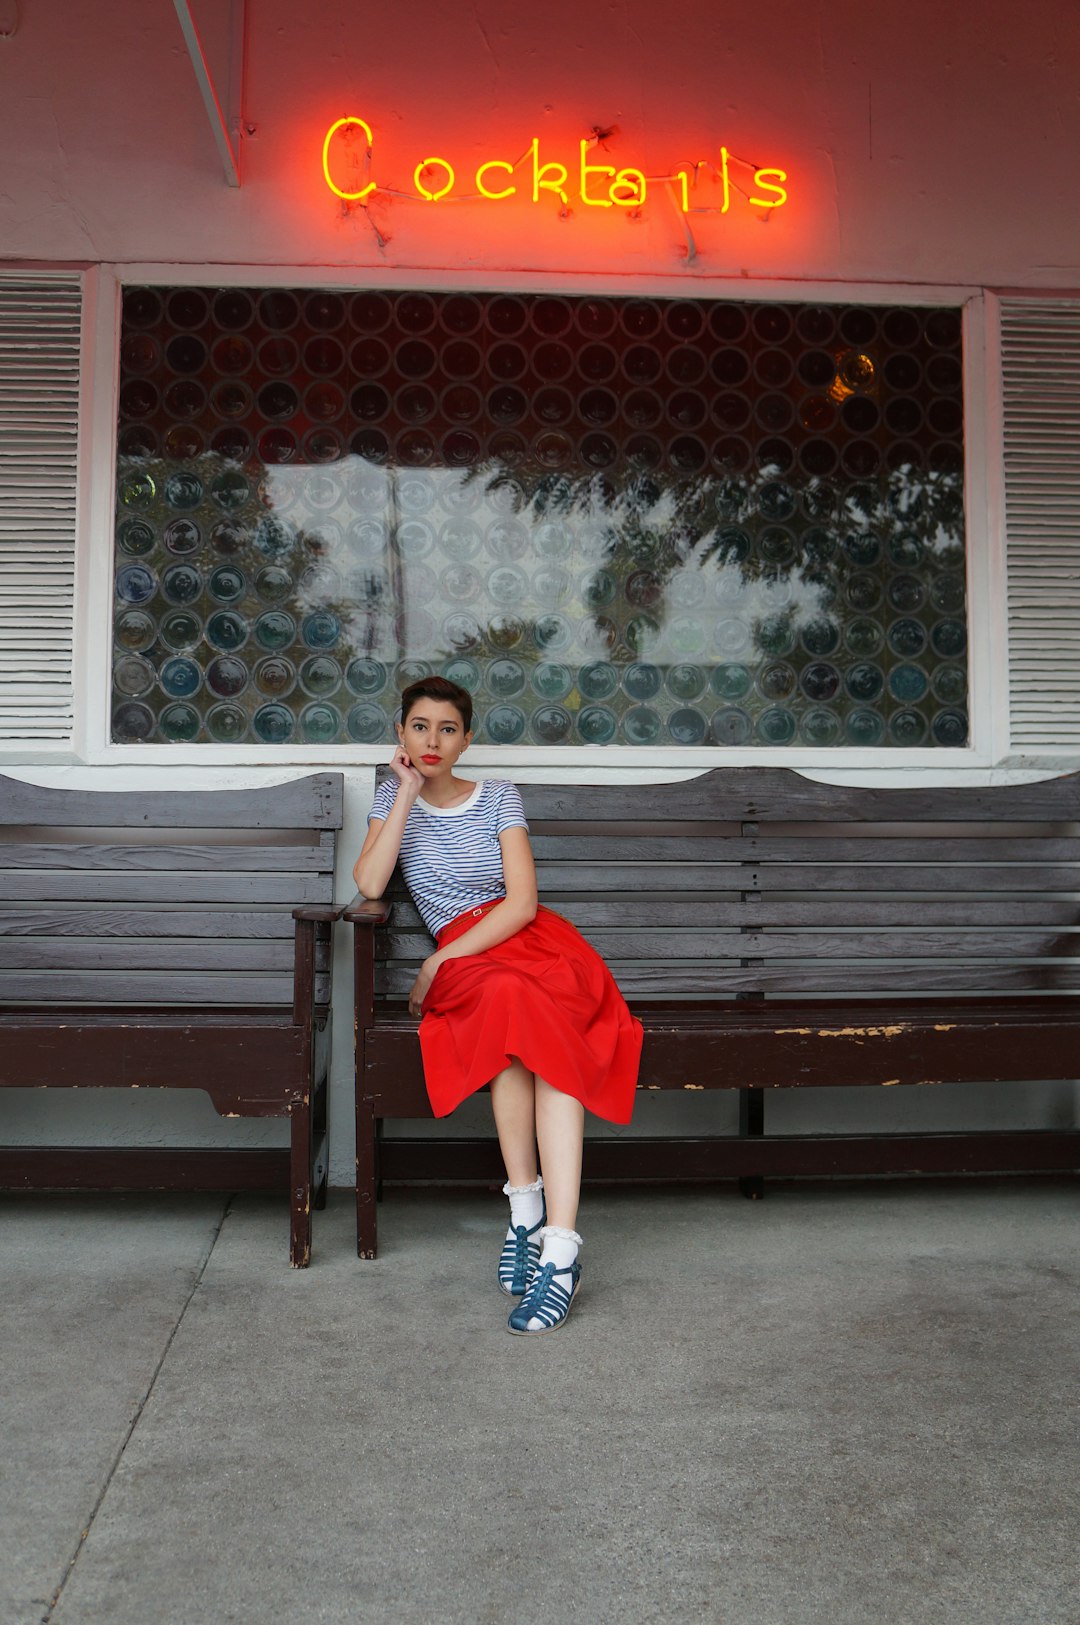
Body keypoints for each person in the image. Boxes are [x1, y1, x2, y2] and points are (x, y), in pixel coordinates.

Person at [353, 675, 643, 1335]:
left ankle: (558, 1249)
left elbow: (522, 903)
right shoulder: (392, 796)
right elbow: (369, 880)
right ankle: (526, 1215)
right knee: (512, 1013)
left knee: (536, 1029)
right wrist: (405, 793)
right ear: (401, 734)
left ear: (466, 739)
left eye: (447, 729)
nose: (432, 740)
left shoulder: (498, 796)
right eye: (419, 726)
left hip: (531, 946)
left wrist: (438, 961)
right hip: (476, 965)